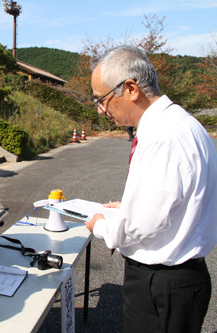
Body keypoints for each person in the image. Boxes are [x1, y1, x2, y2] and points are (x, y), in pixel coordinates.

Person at [86, 45, 217, 332]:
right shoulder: (183, 123)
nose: (101, 109)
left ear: (131, 88)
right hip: (182, 278)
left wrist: (101, 226)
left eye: (103, 99)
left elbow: (142, 224)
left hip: (161, 282)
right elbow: (182, 197)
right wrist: (129, 207)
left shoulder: (161, 137)